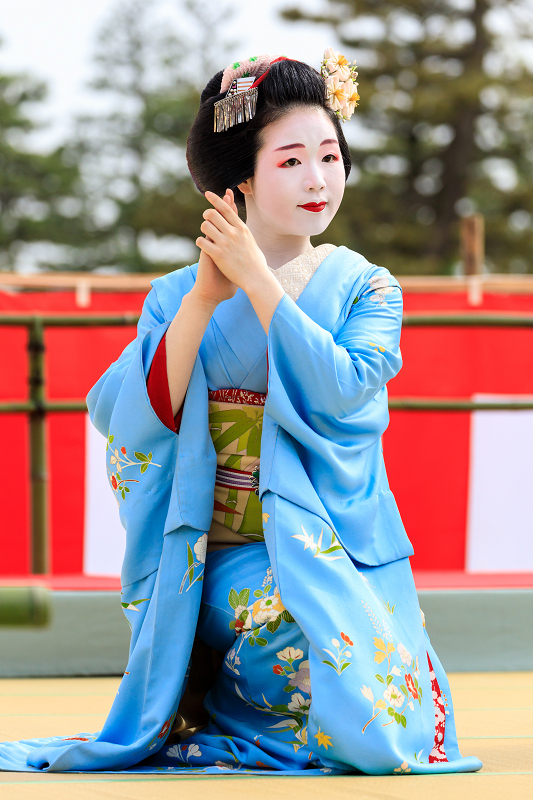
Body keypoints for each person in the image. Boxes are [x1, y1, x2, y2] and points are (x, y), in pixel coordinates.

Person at [0, 52, 481, 776]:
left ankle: (249, 710)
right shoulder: (175, 294)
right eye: (290, 161)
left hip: (328, 544)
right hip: (219, 553)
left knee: (381, 711)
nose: (318, 179)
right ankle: (229, 707)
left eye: (329, 155)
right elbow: (128, 418)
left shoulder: (367, 289)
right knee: (291, 631)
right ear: (241, 180)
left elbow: (345, 393)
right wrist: (202, 300)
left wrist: (259, 283)